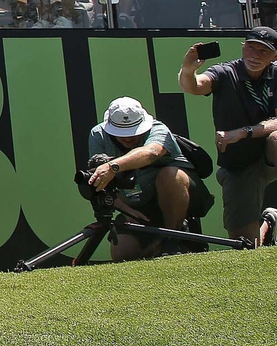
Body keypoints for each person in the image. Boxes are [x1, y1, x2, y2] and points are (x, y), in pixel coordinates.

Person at [179, 28, 277, 245]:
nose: (255, 55)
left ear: (275, 56)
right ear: (243, 47)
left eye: (264, 51)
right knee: (244, 242)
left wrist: (243, 132)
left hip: (273, 154)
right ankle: (268, 224)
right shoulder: (225, 72)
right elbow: (194, 86)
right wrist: (188, 70)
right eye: (251, 48)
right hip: (239, 163)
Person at [84, 96, 214, 261]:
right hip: (136, 206)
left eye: (133, 131)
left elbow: (151, 153)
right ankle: (159, 243)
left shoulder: (159, 129)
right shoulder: (97, 135)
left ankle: (173, 237)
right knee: (122, 254)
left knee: (169, 174)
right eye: (121, 133)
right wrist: (126, 211)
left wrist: (113, 166)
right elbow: (101, 181)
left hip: (183, 197)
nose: (128, 138)